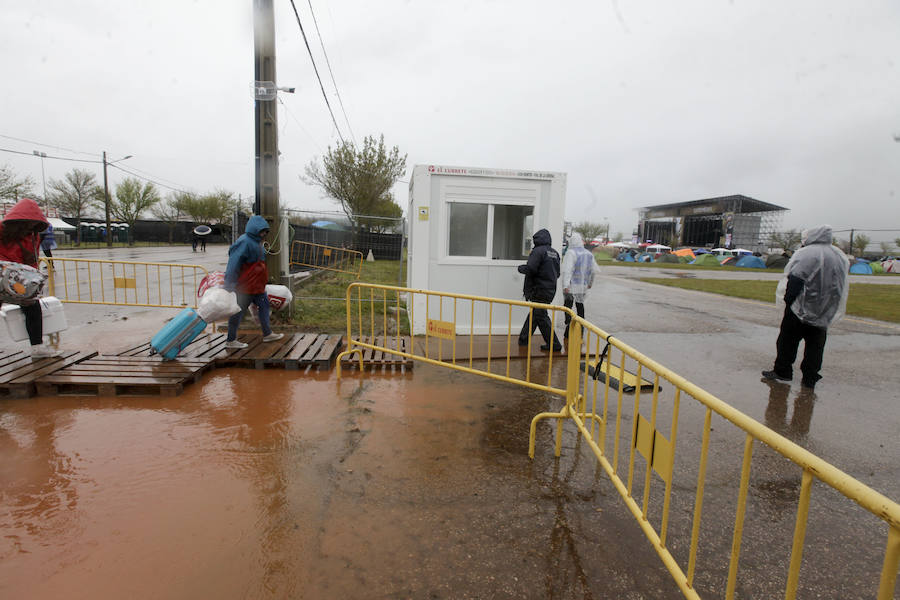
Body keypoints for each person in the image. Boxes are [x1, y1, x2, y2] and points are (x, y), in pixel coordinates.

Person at [762, 225, 849, 389]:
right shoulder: (839, 255)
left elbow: (796, 278)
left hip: (800, 307)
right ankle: (810, 376)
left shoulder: (806, 253)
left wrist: (788, 300)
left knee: (787, 341)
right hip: (825, 309)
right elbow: (840, 285)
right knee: (816, 345)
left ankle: (783, 370)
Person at [0, 198, 60, 357]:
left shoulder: (33, 236)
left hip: (20, 280)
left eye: (34, 224)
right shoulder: (1, 229)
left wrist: (33, 281)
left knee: (33, 308)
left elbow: (32, 259)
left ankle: (37, 347)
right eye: (28, 223)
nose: (31, 227)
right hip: (1, 275)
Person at [223, 215, 284, 348]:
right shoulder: (244, 242)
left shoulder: (257, 243)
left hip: (257, 287)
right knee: (237, 312)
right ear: (254, 230)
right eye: (262, 231)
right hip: (245, 287)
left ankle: (267, 334)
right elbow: (233, 264)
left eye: (265, 231)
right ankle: (231, 340)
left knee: (264, 306)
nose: (263, 234)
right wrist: (229, 284)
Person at [517, 228, 563, 352]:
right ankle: (523, 339)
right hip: (550, 289)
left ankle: (555, 344)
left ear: (537, 240)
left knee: (541, 316)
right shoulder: (554, 253)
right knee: (536, 314)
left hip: (539, 289)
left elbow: (531, 269)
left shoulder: (538, 251)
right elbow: (557, 273)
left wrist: (521, 268)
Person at [561, 232, 601, 339]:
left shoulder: (571, 253)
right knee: (580, 308)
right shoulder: (588, 254)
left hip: (571, 286)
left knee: (568, 308)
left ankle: (568, 329)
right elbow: (593, 271)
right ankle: (581, 329)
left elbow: (567, 270)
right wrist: (590, 283)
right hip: (582, 286)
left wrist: (565, 285)